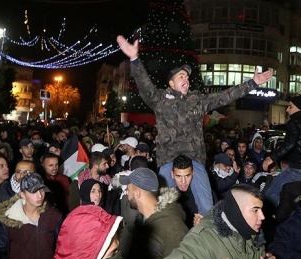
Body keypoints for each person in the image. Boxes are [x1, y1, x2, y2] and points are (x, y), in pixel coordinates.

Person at [117, 35, 273, 217]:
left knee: (208, 208)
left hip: (194, 160)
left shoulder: (198, 100)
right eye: (181, 76)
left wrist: (252, 83)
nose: (186, 79)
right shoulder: (160, 100)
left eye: (187, 76)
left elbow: (225, 96)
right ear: (171, 83)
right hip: (168, 160)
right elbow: (145, 87)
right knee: (159, 210)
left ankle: (206, 240)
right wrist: (135, 60)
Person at [117, 167, 188, 259]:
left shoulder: (172, 227)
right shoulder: (144, 222)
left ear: (138, 193)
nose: (127, 193)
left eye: (128, 190)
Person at [0, 173, 63, 259]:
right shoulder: (10, 220)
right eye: (33, 191)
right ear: (22, 194)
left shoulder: (53, 216)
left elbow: (62, 248)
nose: (40, 195)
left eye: (41, 190)